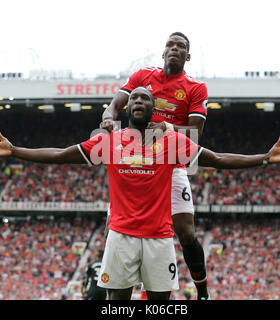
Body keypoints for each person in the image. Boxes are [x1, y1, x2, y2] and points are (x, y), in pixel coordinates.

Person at [0, 87, 280, 300]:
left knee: (161, 306)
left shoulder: (174, 143)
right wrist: (16, 151)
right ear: (125, 108)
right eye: (133, 99)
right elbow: (61, 155)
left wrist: (264, 158)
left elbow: (217, 159)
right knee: (115, 304)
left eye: (145, 99)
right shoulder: (109, 142)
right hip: (120, 237)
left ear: (152, 110)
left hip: (160, 239)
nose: (138, 102)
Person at [101, 32, 211, 299]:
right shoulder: (142, 77)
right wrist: (107, 116)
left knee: (185, 231)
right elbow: (116, 104)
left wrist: (167, 127)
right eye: (170, 45)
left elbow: (196, 131)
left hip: (170, 164)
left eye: (181, 46)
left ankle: (203, 291)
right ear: (163, 52)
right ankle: (113, 292)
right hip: (134, 161)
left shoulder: (196, 88)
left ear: (188, 55)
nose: (175, 49)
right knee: (116, 228)